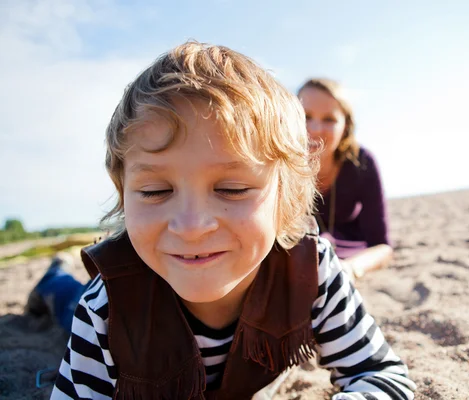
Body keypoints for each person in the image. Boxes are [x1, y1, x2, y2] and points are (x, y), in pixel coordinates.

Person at [48, 42, 416, 399]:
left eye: (233, 189)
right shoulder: (106, 307)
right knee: (67, 303)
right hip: (100, 315)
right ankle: (52, 280)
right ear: (123, 193)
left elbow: (381, 376)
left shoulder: (312, 270)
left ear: (286, 198)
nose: (191, 226)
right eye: (155, 191)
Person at [298, 78, 394, 281]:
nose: (315, 128)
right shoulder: (277, 165)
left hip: (353, 251)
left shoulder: (362, 163)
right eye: (306, 116)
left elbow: (382, 246)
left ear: (346, 127)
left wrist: (350, 269)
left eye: (329, 119)